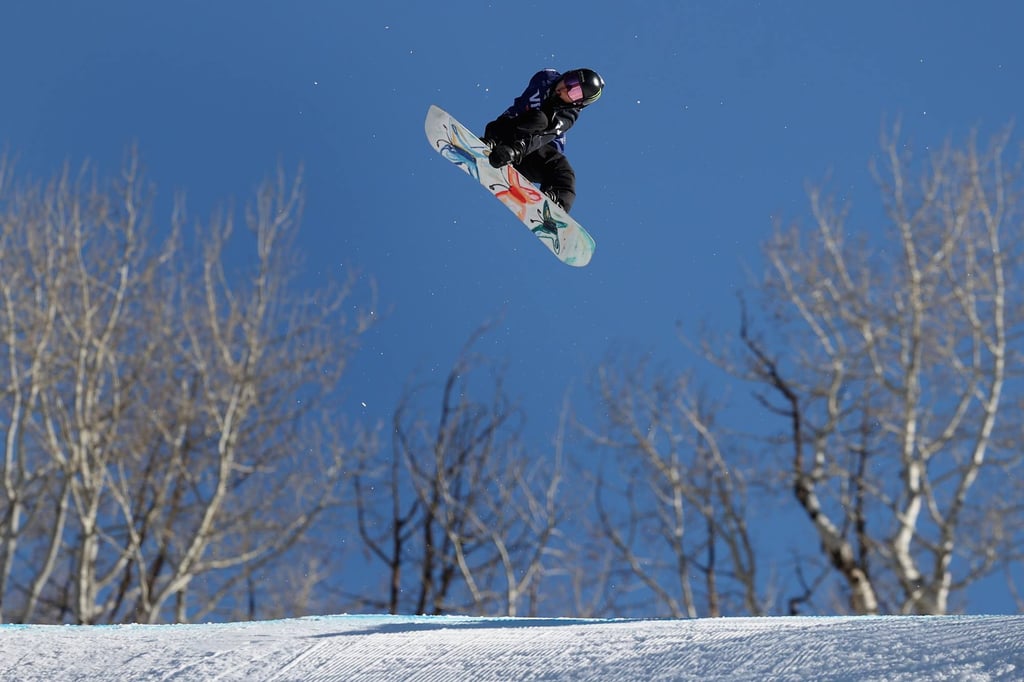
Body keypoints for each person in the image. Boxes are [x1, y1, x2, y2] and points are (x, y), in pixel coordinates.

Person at [482, 68, 604, 213]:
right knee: (538, 119)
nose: (565, 89)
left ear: (577, 104)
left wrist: (516, 150)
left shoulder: (568, 115)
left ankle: (554, 204)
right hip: (503, 132)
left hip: (529, 156)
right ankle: (493, 144)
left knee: (564, 171)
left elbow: (544, 135)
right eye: (570, 81)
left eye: (574, 93)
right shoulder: (546, 77)